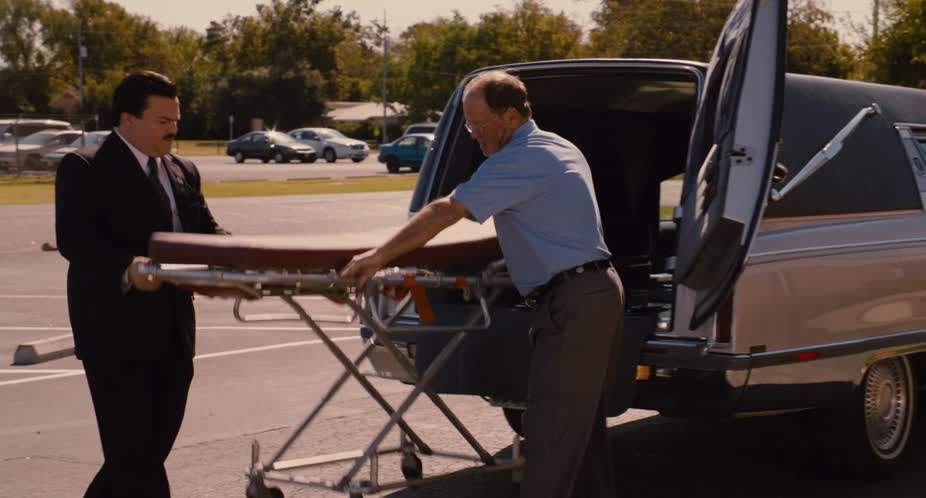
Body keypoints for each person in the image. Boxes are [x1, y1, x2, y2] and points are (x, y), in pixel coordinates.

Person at [341, 70, 623, 498]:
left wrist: (379, 256)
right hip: (591, 293)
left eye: (478, 124)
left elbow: (446, 209)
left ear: (510, 116)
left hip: (575, 301)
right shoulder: (557, 146)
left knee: (550, 434)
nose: (472, 134)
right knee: (581, 438)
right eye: (468, 125)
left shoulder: (521, 159)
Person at [55, 70, 227, 498]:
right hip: (114, 336)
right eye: (162, 120)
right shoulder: (85, 167)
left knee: (144, 454)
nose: (174, 129)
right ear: (127, 119)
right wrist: (127, 267)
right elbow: (74, 240)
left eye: (176, 120)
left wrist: (241, 262)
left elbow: (206, 231)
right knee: (133, 453)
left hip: (175, 334)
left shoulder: (183, 170)